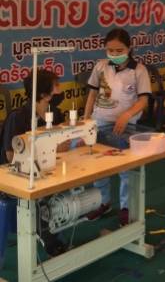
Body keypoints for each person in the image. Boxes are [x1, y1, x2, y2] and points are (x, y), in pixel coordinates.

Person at [84, 28, 151, 226]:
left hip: (126, 126)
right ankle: (103, 202)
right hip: (100, 121)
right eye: (110, 50)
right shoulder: (100, 67)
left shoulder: (139, 70)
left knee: (126, 169)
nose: (114, 54)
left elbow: (143, 100)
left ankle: (126, 207)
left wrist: (127, 114)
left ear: (129, 48)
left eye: (119, 50)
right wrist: (86, 120)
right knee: (99, 165)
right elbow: (92, 95)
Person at [0, 70, 71, 256]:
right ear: (43, 94)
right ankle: (50, 238)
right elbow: (10, 157)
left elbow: (63, 145)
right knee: (47, 196)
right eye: (56, 86)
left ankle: (55, 233)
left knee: (69, 190)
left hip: (45, 170)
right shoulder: (18, 118)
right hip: (17, 176)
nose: (60, 90)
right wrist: (50, 149)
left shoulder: (55, 114)